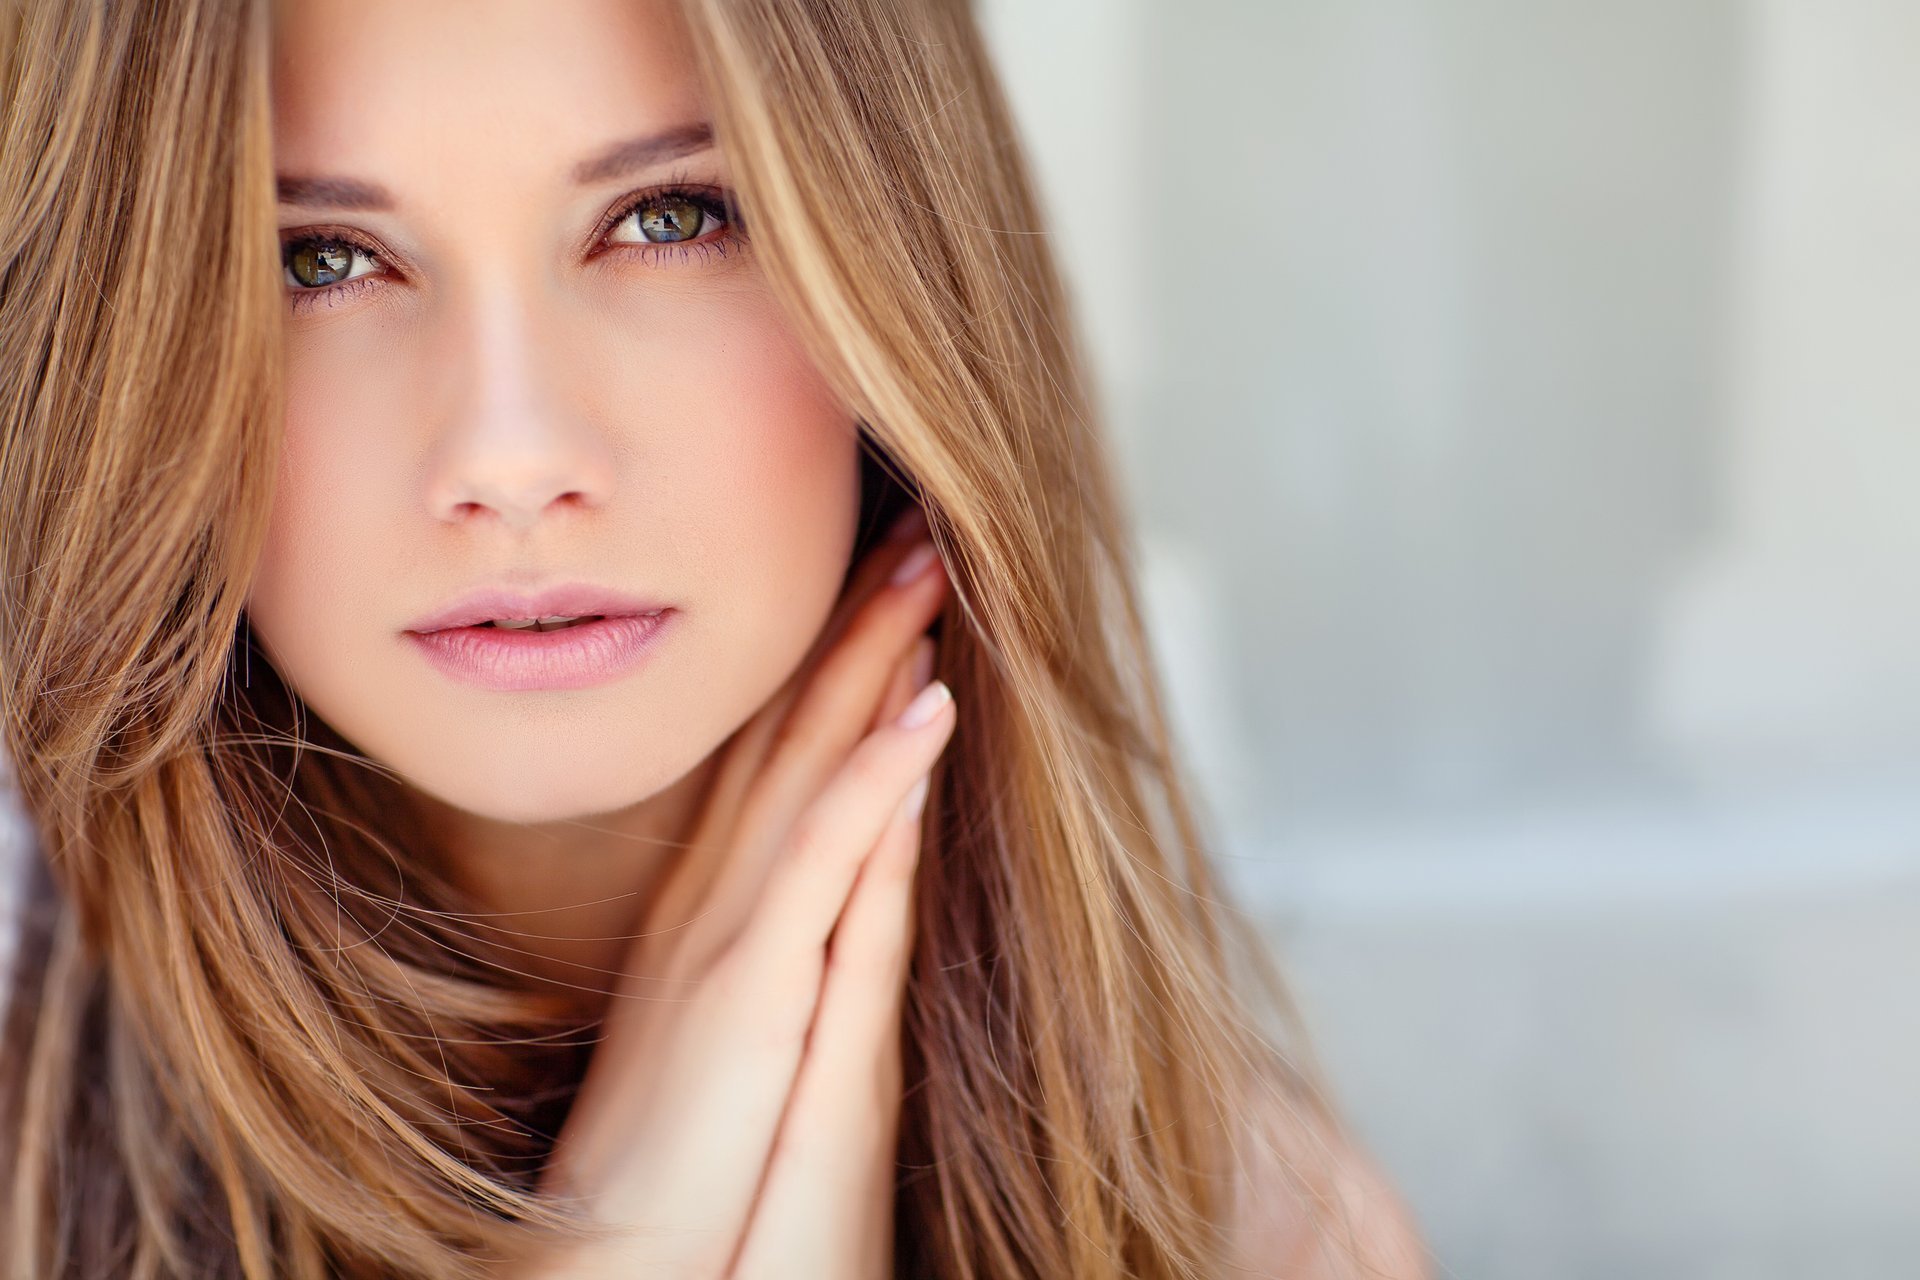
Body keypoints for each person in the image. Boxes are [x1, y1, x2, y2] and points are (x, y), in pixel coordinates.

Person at [0, 0, 1430, 1276]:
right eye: (322, 259)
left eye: (668, 219)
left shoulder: (1254, 1234)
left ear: (899, 281)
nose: (512, 454)